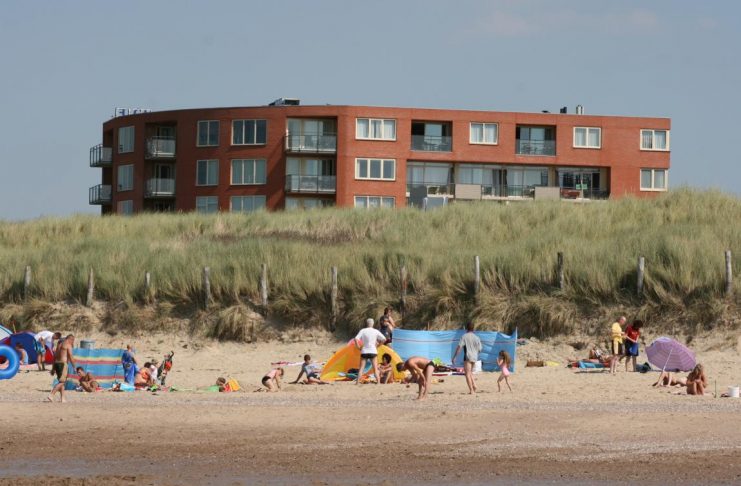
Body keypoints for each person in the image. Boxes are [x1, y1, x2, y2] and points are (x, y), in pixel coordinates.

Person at [451, 323, 482, 394]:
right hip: (475, 357)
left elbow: (459, 347)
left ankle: (471, 390)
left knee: (467, 374)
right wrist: (475, 353)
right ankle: (474, 385)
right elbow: (480, 349)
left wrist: (455, 357)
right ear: (473, 329)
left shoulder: (464, 336)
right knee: (470, 372)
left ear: (466, 328)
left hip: (467, 357)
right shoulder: (477, 337)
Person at [354, 318, 387, 385]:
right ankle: (378, 382)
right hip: (373, 351)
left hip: (364, 351)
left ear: (367, 323)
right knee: (375, 368)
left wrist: (358, 347)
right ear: (373, 324)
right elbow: (384, 339)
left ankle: (357, 382)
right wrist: (378, 346)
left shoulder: (363, 330)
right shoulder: (375, 331)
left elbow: (356, 339)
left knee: (361, 368)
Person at [47, 335, 76, 403]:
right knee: (63, 382)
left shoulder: (59, 345)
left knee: (61, 381)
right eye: (73, 341)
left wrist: (53, 368)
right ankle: (52, 394)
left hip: (57, 363)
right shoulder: (68, 344)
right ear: (71, 339)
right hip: (63, 364)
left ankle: (63, 398)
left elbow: (54, 356)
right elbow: (71, 356)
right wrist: (74, 366)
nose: (73, 343)